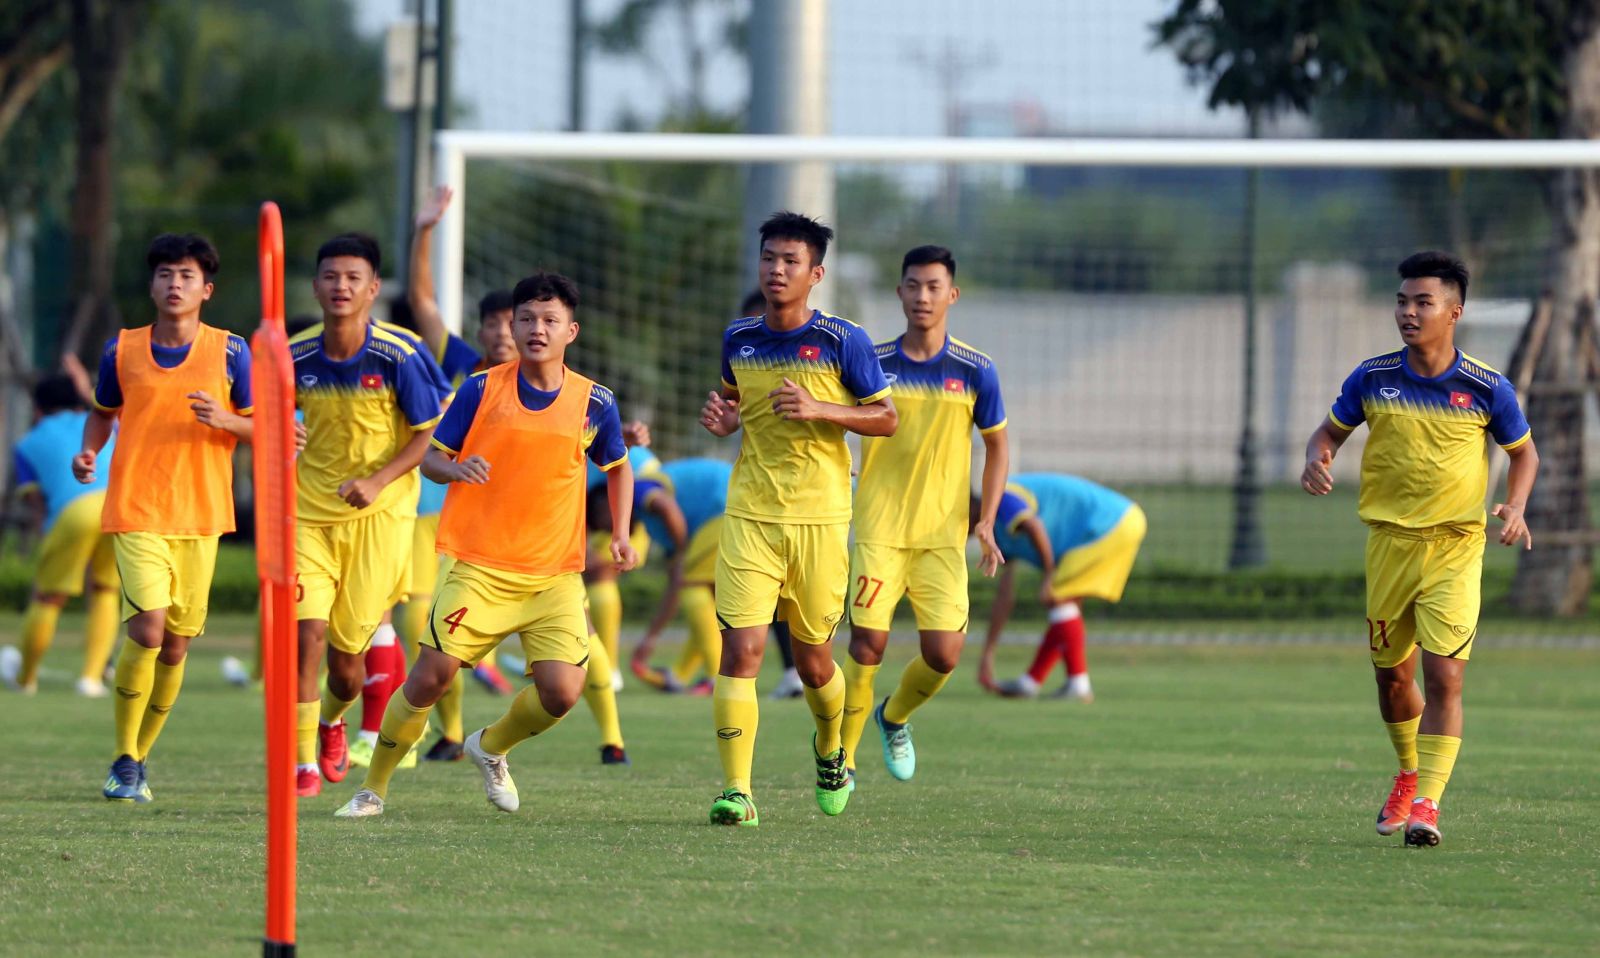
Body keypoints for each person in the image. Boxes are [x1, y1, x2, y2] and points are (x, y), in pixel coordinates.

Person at [334, 270, 637, 818]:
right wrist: (453, 468)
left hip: (554, 576)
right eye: (526, 319)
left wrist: (618, 533)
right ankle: (372, 789)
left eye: (549, 320)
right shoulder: (480, 388)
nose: (535, 329)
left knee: (563, 693)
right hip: (477, 565)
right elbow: (429, 458)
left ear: (572, 330)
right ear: (513, 327)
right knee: (430, 676)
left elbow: (618, 468)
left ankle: (490, 747)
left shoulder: (595, 402)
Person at [1301, 251, 1537, 848]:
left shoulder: (1485, 387)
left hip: (1457, 546)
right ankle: (1408, 772)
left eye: (1422, 302)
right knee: (1391, 679)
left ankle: (1428, 803)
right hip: (1389, 546)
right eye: (1403, 301)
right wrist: (1317, 456)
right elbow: (1329, 430)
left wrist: (1516, 504)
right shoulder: (1373, 377)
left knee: (1445, 676)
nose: (1409, 312)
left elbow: (1524, 453)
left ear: (1454, 311)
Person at [699, 211, 896, 826]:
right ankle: (738, 792)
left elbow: (886, 417)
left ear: (815, 273)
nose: (776, 270)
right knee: (742, 652)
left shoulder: (844, 340)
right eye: (768, 259)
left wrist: (823, 409)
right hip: (751, 513)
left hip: (819, 518)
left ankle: (831, 748)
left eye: (789, 261)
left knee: (814, 660)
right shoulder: (739, 337)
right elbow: (735, 402)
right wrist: (728, 418)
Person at [75, 233, 255, 802]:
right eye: (165, 275)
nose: (175, 284)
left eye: (186, 276)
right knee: (148, 628)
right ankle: (124, 758)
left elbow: (267, 428)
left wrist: (226, 420)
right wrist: (89, 452)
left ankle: (142, 756)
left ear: (207, 289)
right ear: (151, 285)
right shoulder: (121, 350)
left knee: (176, 647)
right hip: (138, 508)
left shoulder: (231, 352)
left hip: (201, 516)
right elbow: (103, 414)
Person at [840, 245, 1009, 787]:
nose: (922, 296)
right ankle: (840, 760)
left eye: (934, 286)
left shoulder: (976, 369)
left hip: (941, 535)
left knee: (943, 654)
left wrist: (985, 521)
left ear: (952, 295)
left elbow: (998, 447)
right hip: (880, 529)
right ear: (899, 292)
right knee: (868, 644)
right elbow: (836, 419)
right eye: (913, 285)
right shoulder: (874, 361)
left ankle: (895, 717)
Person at [290, 232, 448, 798]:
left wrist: (378, 480)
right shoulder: (294, 355)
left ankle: (333, 720)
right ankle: (302, 763)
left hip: (380, 522)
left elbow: (429, 433)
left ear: (373, 289)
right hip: (308, 515)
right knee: (306, 634)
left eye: (353, 278)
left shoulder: (400, 353)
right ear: (315, 286)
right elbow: (265, 419)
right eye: (331, 277)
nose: (341, 287)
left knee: (347, 664)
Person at [0, 375, 121, 697]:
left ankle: (26, 679)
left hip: (73, 512)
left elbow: (37, 502)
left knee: (48, 597)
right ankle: (91, 679)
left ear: (37, 409)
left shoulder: (26, 445)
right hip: (118, 506)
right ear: (78, 404)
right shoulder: (104, 423)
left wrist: (48, 537)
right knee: (106, 589)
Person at [979, 475, 1147, 702]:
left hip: (1110, 522)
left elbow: (1035, 527)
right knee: (1065, 605)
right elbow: (1005, 595)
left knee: (1058, 598)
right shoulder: (994, 534)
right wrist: (988, 653)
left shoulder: (1000, 497)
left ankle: (1078, 684)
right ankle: (1031, 682)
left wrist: (1049, 576)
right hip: (1119, 522)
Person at [628, 457, 734, 693]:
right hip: (737, 504)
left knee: (694, 588)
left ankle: (719, 676)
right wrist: (651, 637)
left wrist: (682, 553)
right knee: (707, 602)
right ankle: (680, 675)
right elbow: (675, 586)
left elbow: (666, 506)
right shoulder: (658, 528)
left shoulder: (635, 488)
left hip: (725, 505)